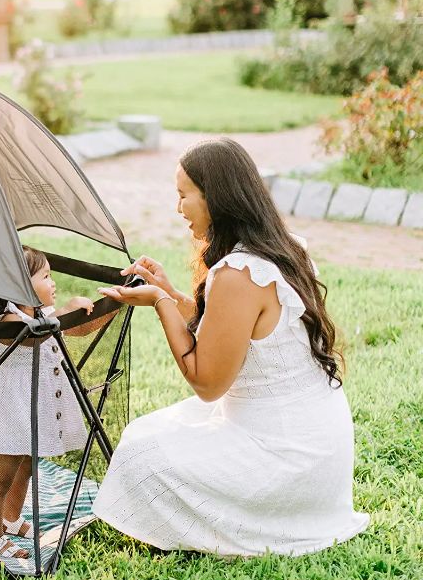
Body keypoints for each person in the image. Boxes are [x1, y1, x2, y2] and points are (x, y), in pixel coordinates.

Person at [92, 138, 369, 556]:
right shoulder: (284, 249)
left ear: (215, 198)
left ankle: (261, 520)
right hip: (316, 450)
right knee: (147, 431)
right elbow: (232, 329)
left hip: (285, 459)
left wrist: (160, 302)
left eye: (183, 196)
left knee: (140, 455)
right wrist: (168, 289)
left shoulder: (238, 273)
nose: (178, 208)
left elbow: (207, 383)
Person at [0, 245, 104, 560]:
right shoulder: (7, 322)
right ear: (18, 286)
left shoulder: (43, 314)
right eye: (45, 276)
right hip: (9, 414)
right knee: (0, 480)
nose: (53, 283)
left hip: (35, 411)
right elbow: (33, 336)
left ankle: (11, 518)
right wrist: (63, 313)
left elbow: (79, 328)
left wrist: (106, 306)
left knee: (27, 468)